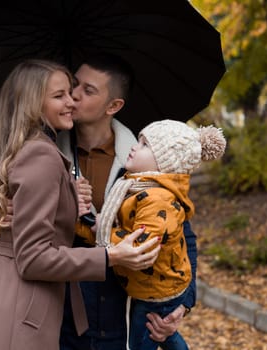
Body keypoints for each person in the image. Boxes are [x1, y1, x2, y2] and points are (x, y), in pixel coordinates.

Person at [0, 59, 160, 350]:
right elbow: (34, 258)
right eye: (59, 95)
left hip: (16, 299)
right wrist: (112, 256)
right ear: (33, 104)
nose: (71, 101)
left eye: (73, 91)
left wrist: (66, 200)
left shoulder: (27, 148)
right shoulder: (42, 154)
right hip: (23, 307)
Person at [55, 54, 200, 349]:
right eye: (73, 85)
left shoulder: (146, 166)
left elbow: (183, 237)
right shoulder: (46, 154)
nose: (74, 95)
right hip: (59, 312)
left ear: (114, 106)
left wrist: (181, 305)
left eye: (88, 90)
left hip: (115, 315)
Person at [90, 119, 226, 350]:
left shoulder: (157, 199)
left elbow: (144, 245)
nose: (135, 146)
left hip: (156, 288)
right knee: (161, 335)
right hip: (147, 285)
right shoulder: (135, 185)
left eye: (144, 144)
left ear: (164, 163)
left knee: (145, 338)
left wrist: (103, 228)